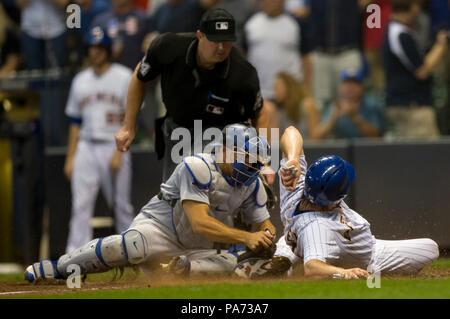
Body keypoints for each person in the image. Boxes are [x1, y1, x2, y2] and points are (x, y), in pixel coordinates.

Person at [24, 123, 276, 282]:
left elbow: (264, 224)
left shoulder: (252, 184)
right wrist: (246, 238)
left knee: (237, 263)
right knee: (131, 246)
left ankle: (180, 270)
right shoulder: (198, 166)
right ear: (224, 150)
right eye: (247, 159)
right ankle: (60, 267)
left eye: (255, 162)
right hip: (158, 228)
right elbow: (199, 222)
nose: (252, 167)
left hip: (195, 248)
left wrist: (265, 237)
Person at [238, 126, 439, 279]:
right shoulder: (318, 226)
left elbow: (290, 131)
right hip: (369, 258)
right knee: (430, 248)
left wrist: (292, 158)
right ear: (336, 197)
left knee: (295, 244)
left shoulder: (295, 186)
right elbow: (313, 268)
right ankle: (289, 265)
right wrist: (342, 273)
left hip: (302, 240)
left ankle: (284, 259)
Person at [115, 8, 266, 181]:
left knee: (203, 186)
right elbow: (140, 76)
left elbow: (260, 112)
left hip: (221, 133)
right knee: (174, 194)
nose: (221, 47)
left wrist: (262, 159)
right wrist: (128, 126)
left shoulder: (243, 72)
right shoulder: (167, 47)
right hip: (177, 128)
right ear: (200, 35)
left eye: (226, 41)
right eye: (215, 40)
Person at [63, 27, 134, 254]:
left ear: (107, 50)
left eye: (99, 47)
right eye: (92, 48)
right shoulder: (80, 80)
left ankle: (133, 253)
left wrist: (119, 152)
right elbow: (75, 122)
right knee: (80, 207)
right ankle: (74, 256)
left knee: (121, 206)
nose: (95, 52)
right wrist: (70, 158)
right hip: (86, 146)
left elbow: (132, 117)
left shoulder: (124, 76)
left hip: (115, 144)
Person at [383, 0, 448, 138]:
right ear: (410, 7)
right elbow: (422, 72)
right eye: (417, 6)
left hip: (407, 103)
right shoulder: (400, 34)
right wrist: (440, 45)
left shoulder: (399, 30)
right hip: (411, 106)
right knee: (426, 154)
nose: (418, 11)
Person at [242, 0, 312, 100]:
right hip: (259, 93)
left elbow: (306, 59)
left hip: (290, 93)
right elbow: (243, 55)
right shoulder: (251, 21)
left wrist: (306, 91)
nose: (272, 2)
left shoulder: (297, 23)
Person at [316, 68, 384, 139]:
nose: (350, 87)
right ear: (341, 86)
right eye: (347, 83)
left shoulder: (371, 104)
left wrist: (355, 117)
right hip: (341, 148)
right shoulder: (335, 105)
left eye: (354, 83)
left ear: (361, 86)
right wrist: (333, 118)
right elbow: (318, 138)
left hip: (368, 148)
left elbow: (376, 136)